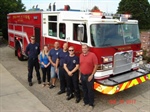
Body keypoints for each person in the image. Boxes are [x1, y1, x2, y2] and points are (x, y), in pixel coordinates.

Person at [79, 44, 98, 109]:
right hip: (82, 75)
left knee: (90, 90)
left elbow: (96, 65)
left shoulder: (92, 55)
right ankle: (85, 101)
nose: (84, 49)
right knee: (84, 89)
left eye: (85, 48)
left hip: (89, 76)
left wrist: (92, 75)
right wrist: (79, 75)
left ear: (88, 49)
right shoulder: (81, 55)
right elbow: (80, 66)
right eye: (82, 48)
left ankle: (91, 104)